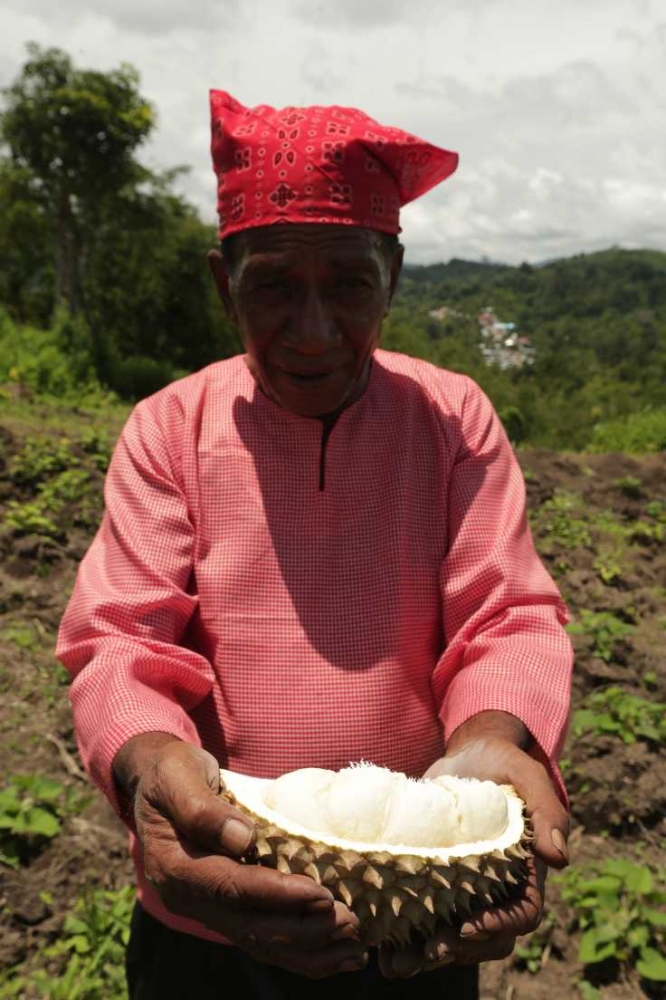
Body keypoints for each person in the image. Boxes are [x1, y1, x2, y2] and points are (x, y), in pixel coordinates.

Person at [56, 91, 573, 999]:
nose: (312, 330)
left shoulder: (450, 420)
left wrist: (496, 737)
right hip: (213, 901)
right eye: (270, 287)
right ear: (225, 285)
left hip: (412, 901)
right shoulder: (171, 429)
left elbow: (509, 615)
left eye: (347, 283)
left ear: (394, 278)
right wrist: (147, 763)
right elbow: (121, 642)